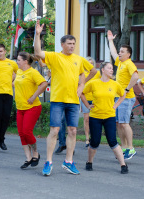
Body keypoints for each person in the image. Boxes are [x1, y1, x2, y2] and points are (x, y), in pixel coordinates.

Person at [35, 20, 90, 176]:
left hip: (73, 100)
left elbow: (87, 73)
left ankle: (68, 161)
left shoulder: (78, 59)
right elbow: (38, 53)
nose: (72, 46)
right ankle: (49, 162)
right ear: (62, 45)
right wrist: (37, 34)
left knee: (72, 130)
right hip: (58, 100)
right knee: (55, 130)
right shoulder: (54, 57)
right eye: (69, 43)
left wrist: (81, 87)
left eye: (74, 43)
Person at [81, 62, 128, 174]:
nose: (112, 70)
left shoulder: (115, 84)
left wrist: (116, 105)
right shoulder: (93, 83)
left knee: (112, 141)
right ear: (102, 69)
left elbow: (123, 95)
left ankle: (123, 165)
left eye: (112, 68)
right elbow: (82, 93)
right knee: (95, 142)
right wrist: (87, 105)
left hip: (109, 116)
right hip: (95, 117)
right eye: (109, 68)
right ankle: (89, 162)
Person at [55, 56, 97, 153]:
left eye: (91, 63)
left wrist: (83, 82)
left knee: (72, 126)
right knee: (61, 122)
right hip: (62, 98)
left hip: (75, 99)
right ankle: (62, 143)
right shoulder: (75, 71)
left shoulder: (87, 73)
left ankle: (71, 147)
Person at [107, 30, 139, 160]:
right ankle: (125, 147)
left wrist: (126, 89)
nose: (119, 53)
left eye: (122, 52)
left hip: (127, 98)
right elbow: (113, 53)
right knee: (119, 123)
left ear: (128, 54)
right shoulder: (120, 62)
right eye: (120, 51)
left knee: (125, 123)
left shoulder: (129, 64)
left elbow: (136, 76)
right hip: (119, 97)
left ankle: (131, 148)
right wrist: (110, 40)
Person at [14, 52, 48, 169]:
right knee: (21, 133)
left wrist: (34, 96)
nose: (17, 62)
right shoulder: (18, 71)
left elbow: (44, 84)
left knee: (27, 131)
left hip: (32, 107)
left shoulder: (33, 72)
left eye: (18, 60)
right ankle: (28, 157)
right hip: (20, 107)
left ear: (25, 61)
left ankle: (35, 153)